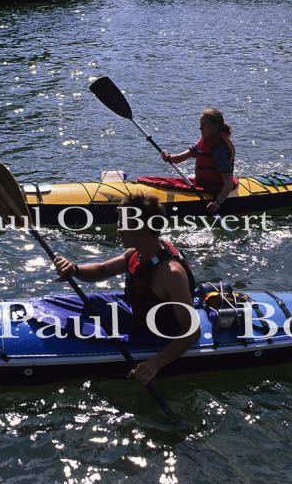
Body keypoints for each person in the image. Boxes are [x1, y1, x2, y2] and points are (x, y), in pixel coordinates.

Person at [54, 193, 200, 384]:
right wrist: (74, 269)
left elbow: (191, 331)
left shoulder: (171, 274)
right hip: (137, 316)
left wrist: (155, 363)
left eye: (124, 224)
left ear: (145, 228)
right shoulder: (136, 253)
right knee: (88, 303)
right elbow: (101, 271)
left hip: (158, 334)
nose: (119, 230)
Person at [161, 108, 236, 214]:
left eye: (203, 125)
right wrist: (168, 157)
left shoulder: (220, 150)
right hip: (202, 186)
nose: (200, 128)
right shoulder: (204, 142)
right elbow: (178, 159)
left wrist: (217, 203)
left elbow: (228, 184)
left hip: (216, 191)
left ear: (215, 126)